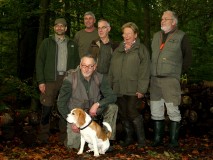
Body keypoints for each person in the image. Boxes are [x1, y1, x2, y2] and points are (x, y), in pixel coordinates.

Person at [57, 54, 118, 150]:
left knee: (112, 107)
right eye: (84, 66)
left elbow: (112, 96)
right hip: (78, 117)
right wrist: (73, 122)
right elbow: (61, 103)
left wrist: (98, 104)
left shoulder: (100, 78)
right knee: (73, 147)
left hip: (93, 113)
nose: (87, 69)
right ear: (80, 65)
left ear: (95, 67)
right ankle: (73, 138)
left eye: (90, 66)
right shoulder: (70, 79)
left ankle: (106, 140)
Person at [150, 10, 192, 148]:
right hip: (155, 80)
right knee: (156, 110)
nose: (162, 21)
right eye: (162, 18)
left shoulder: (181, 36)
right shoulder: (156, 36)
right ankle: (157, 140)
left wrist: (178, 72)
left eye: (166, 19)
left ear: (173, 22)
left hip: (170, 80)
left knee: (173, 110)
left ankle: (173, 141)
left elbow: (188, 58)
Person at [36, 18, 80, 145]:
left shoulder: (72, 44)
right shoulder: (47, 43)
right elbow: (39, 62)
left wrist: (75, 80)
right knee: (46, 108)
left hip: (67, 80)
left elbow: (78, 64)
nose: (59, 28)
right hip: (50, 80)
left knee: (64, 107)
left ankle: (64, 137)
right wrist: (41, 81)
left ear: (66, 28)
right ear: (54, 28)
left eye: (62, 26)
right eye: (57, 26)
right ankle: (43, 137)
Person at [108, 22, 150, 148]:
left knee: (132, 112)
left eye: (129, 33)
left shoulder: (141, 49)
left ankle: (142, 140)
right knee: (123, 113)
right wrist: (110, 88)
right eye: (124, 33)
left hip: (134, 89)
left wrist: (142, 89)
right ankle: (129, 138)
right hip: (118, 88)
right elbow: (111, 70)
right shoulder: (118, 49)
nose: (126, 36)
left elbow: (145, 70)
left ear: (135, 35)